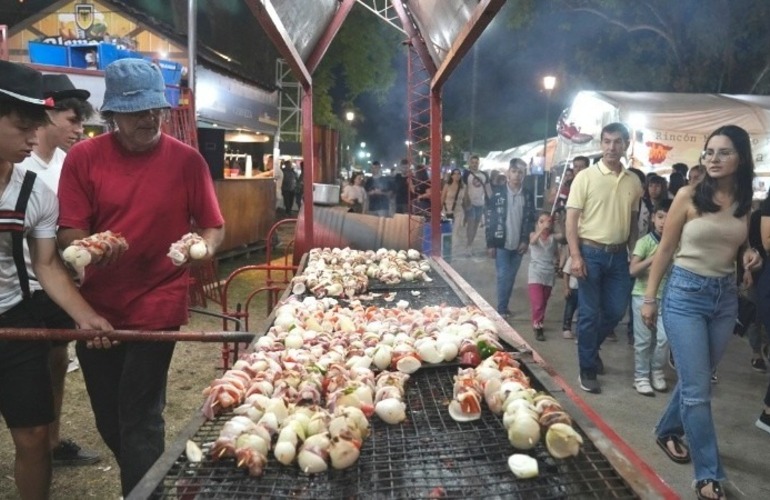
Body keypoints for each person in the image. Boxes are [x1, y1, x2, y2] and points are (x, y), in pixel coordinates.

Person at [57, 58, 225, 497]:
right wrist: (91, 248)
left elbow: (212, 224)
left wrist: (200, 249)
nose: (150, 119)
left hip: (159, 300)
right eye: (137, 111)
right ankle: (146, 479)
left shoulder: (187, 161)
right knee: (109, 419)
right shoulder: (83, 157)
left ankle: (142, 492)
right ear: (113, 114)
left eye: (155, 109)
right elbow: (69, 232)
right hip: (97, 304)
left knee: (141, 413)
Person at [0, 60, 112, 500]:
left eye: (37, 125)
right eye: (22, 124)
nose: (33, 135)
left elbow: (46, 265)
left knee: (33, 437)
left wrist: (87, 317)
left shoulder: (36, 193)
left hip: (14, 322)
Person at [641, 125, 760, 500]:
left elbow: (738, 244)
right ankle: (708, 473)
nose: (714, 158)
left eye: (724, 152)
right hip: (685, 296)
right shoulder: (689, 196)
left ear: (741, 157)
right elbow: (664, 250)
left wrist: (748, 256)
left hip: (724, 299)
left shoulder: (746, 202)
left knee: (698, 379)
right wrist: (649, 297)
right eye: (710, 152)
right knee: (698, 390)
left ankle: (665, 430)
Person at [16, 74, 100, 466]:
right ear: (46, 114)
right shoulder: (18, 157)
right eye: (72, 119)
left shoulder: (69, 163)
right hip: (19, 286)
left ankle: (50, 440)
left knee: (55, 363)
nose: (79, 129)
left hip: (55, 281)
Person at [565, 122, 644, 394]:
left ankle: (589, 346)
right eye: (607, 141)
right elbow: (571, 220)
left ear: (626, 145)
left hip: (619, 256)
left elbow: (633, 223)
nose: (612, 147)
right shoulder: (585, 177)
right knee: (588, 313)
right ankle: (586, 367)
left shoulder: (634, 180)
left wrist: (635, 252)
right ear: (601, 144)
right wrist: (575, 256)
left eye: (618, 142)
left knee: (615, 310)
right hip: (590, 253)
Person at [629, 199, 671, 396]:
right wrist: (655, 258)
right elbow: (633, 270)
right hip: (642, 296)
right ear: (653, 218)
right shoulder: (644, 242)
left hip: (668, 298)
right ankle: (641, 376)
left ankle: (657, 371)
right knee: (644, 340)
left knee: (664, 339)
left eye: (669, 218)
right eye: (660, 217)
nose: (664, 222)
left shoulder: (676, 244)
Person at [486, 158, 536, 318]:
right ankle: (501, 308)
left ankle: (504, 306)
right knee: (503, 276)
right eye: (514, 171)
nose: (516, 175)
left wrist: (525, 241)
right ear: (508, 173)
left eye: (520, 172)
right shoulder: (498, 193)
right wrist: (490, 243)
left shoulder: (527, 195)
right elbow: (490, 219)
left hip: (518, 245)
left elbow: (530, 219)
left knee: (511, 276)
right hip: (501, 243)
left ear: (524, 175)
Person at [527, 211, 563, 341]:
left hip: (548, 273)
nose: (544, 224)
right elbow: (532, 241)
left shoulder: (553, 237)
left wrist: (558, 222)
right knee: (538, 302)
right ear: (537, 223)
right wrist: (542, 228)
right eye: (541, 221)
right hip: (535, 272)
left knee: (544, 302)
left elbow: (563, 236)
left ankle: (538, 321)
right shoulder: (533, 235)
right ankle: (538, 326)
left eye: (547, 221)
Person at [463, 155, 490, 257]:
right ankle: (468, 246)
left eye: (476, 162)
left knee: (475, 226)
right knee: (470, 225)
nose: (474, 164)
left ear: (479, 163)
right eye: (473, 162)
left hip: (480, 204)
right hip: (471, 204)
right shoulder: (466, 175)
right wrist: (466, 203)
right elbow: (464, 190)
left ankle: (470, 245)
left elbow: (488, 190)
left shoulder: (484, 175)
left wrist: (490, 201)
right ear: (470, 163)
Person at [561, 254, 579, 339]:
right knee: (570, 309)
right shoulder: (573, 257)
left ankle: (580, 331)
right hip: (573, 288)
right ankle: (566, 328)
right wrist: (566, 288)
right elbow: (566, 273)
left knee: (583, 311)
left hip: (586, 289)